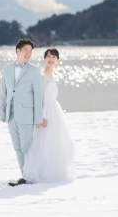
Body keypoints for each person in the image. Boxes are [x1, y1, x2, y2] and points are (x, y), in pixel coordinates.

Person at [21, 48, 76, 183]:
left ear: (58, 60)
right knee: (43, 144)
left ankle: (54, 171)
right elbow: (41, 98)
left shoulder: (51, 75)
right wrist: (42, 116)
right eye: (49, 56)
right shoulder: (42, 76)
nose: (51, 59)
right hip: (46, 113)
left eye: (54, 57)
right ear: (44, 59)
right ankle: (38, 174)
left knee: (56, 144)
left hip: (55, 113)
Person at [0, 38, 44, 187]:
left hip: (27, 114)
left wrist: (38, 118)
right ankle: (24, 176)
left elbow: (38, 96)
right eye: (26, 50)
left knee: (27, 147)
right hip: (11, 114)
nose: (28, 53)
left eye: (30, 51)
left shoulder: (35, 71)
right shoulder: (7, 69)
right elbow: (3, 92)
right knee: (17, 147)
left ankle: (30, 177)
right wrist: (2, 113)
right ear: (18, 50)